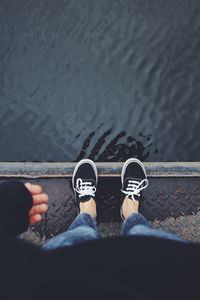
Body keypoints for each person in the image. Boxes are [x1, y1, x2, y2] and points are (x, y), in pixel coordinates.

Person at [0, 158, 199, 300]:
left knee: (78, 239)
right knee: (144, 237)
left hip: (58, 284)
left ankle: (87, 211)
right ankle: (130, 212)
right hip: (173, 281)